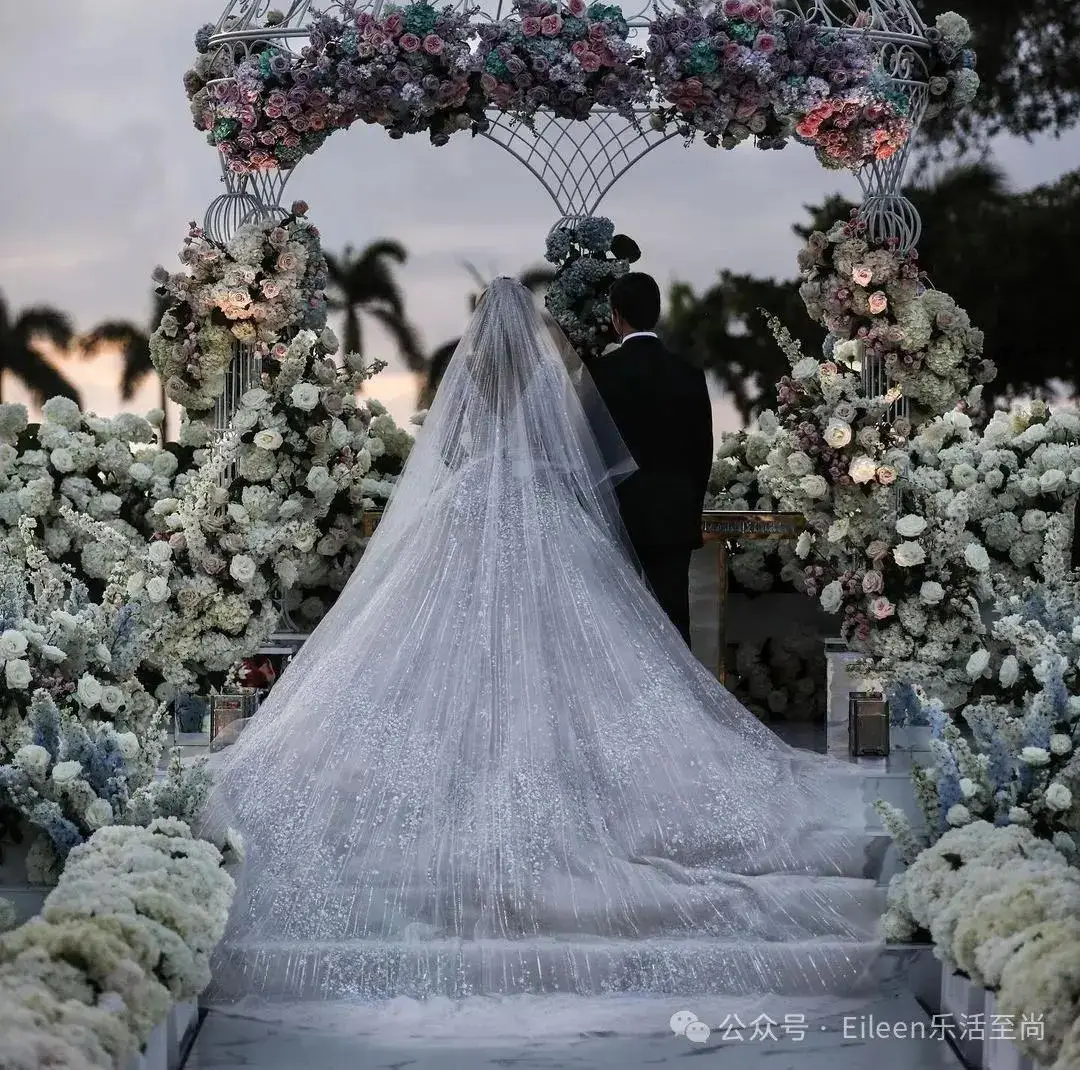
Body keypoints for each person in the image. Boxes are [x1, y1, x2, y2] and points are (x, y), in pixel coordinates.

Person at [201, 278, 880, 1005]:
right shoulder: (556, 380)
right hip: (541, 509)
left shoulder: (470, 380)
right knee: (573, 646)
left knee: (449, 645)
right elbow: (582, 458)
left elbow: (453, 449)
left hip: (469, 507)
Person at [590, 272, 713, 646]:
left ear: (616, 316)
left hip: (619, 516)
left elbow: (590, 450)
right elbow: (702, 454)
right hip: (674, 514)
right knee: (674, 621)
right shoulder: (689, 375)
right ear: (657, 312)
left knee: (620, 624)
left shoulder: (601, 375)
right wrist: (690, 510)